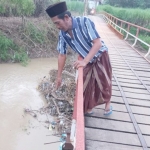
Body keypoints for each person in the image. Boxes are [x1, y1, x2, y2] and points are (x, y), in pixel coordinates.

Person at [45, 1, 112, 115]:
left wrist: (85, 61)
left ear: (66, 17)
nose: (57, 27)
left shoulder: (85, 22)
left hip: (100, 54)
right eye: (55, 24)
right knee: (85, 84)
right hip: (86, 59)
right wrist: (59, 77)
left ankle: (108, 104)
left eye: (57, 23)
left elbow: (97, 44)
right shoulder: (62, 34)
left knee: (104, 81)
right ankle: (89, 107)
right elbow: (62, 54)